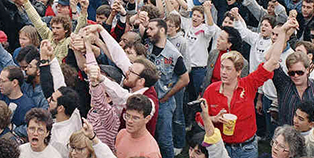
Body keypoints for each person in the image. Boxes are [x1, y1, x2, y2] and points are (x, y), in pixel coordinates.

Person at [199, 19, 292, 158]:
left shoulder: (249, 84)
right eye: (222, 67)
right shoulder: (211, 90)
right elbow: (200, 117)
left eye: (228, 69)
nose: (223, 72)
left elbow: (272, 61)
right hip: (221, 148)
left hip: (246, 148)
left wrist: (283, 32)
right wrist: (213, 119)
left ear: (238, 71)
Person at [145, 18, 189, 158]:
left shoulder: (173, 54)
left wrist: (168, 95)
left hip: (163, 102)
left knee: (164, 140)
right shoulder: (148, 46)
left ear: (162, 30)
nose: (147, 32)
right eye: (147, 29)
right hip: (147, 99)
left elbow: (185, 79)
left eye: (151, 29)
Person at [114, 94, 160, 158]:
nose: (129, 121)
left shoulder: (151, 153)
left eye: (135, 118)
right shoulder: (122, 134)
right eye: (127, 115)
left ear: (147, 119)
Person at [48, 86, 82, 158]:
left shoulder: (59, 141)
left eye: (52, 100)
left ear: (60, 108)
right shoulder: (75, 113)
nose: (48, 100)